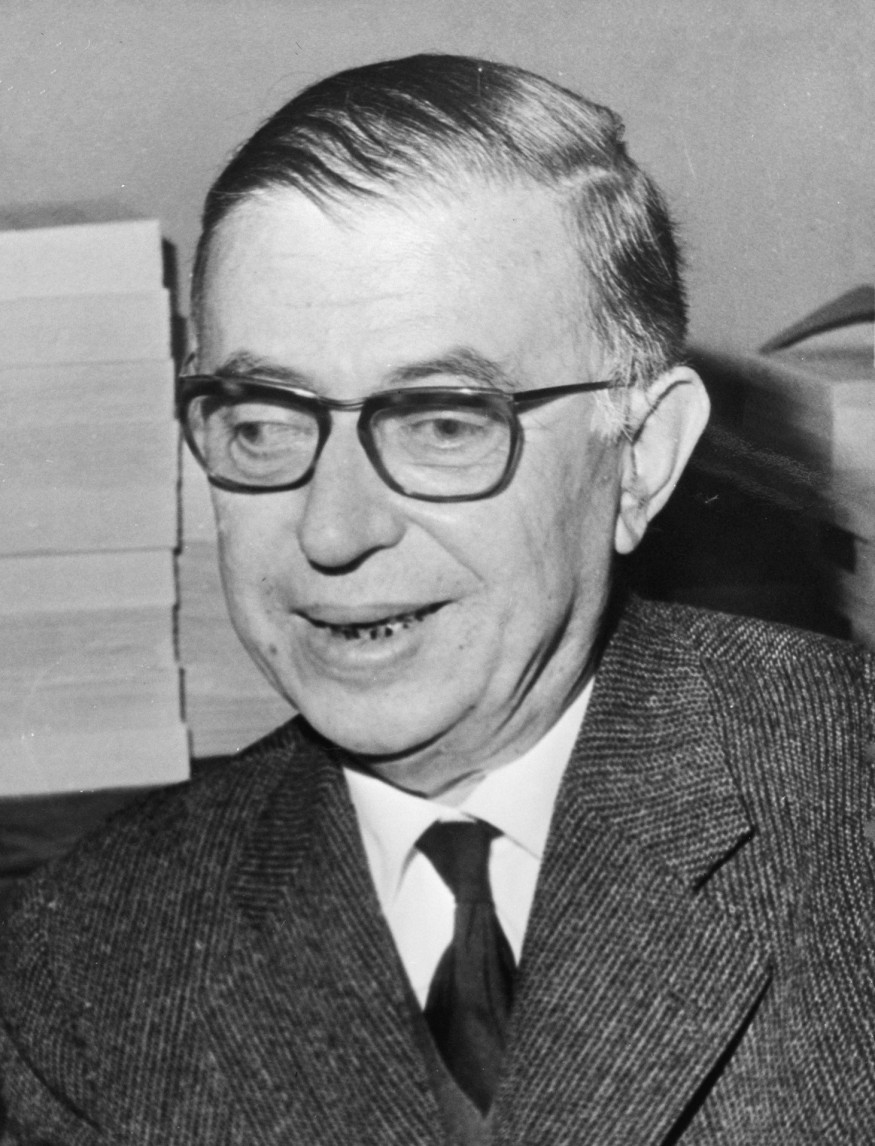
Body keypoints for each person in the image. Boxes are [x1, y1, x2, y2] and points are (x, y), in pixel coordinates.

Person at [1, 53, 874, 1145]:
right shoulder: (89, 963)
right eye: (264, 422)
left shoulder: (846, 810)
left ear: (641, 458)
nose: (331, 532)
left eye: (442, 424)